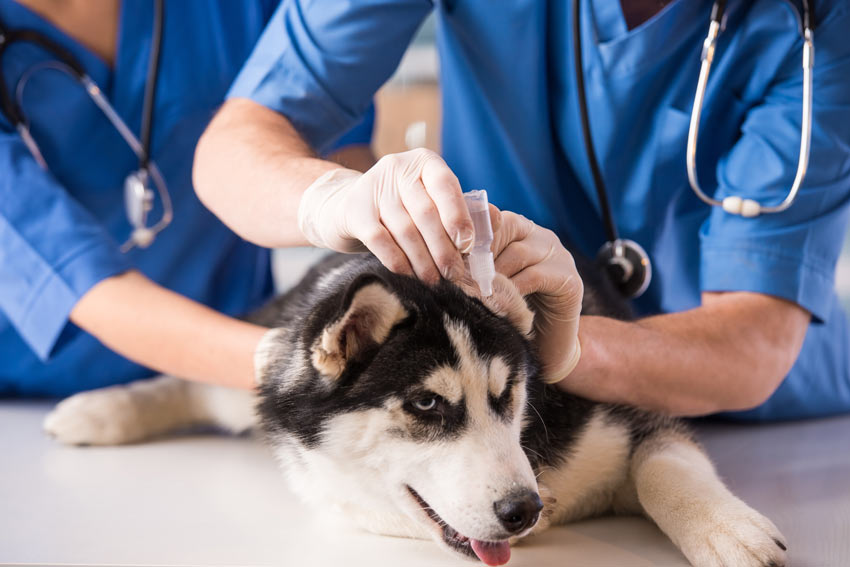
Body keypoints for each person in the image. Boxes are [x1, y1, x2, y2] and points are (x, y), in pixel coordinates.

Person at [193, 0, 850, 420]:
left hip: (742, 423)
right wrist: (335, 200)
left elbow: (751, 343)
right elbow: (232, 151)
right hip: (494, 397)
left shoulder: (817, 24)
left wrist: (562, 347)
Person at [0, 0, 375, 397]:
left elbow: (337, 145)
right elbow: (70, 277)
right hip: (39, 407)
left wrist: (387, 252)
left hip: (236, 383)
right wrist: (294, 363)